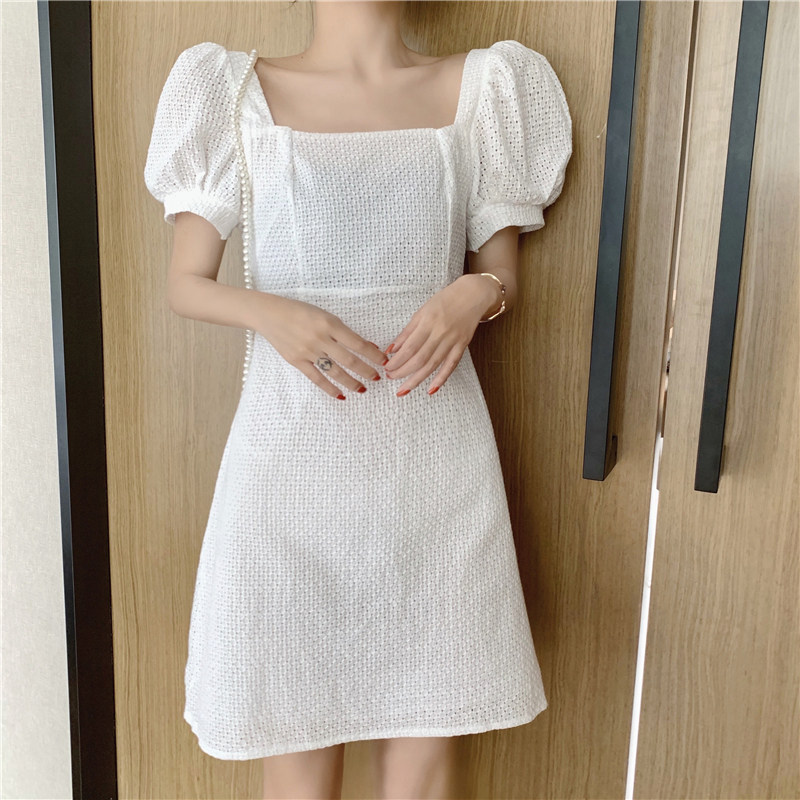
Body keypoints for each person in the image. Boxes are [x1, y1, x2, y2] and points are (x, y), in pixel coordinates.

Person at [143, 1, 572, 798]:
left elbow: (503, 275)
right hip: (289, 472)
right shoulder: (232, 92)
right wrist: (272, 314)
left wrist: (474, 292)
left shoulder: (485, 88)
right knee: (295, 736)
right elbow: (185, 284)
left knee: (426, 746)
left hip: (432, 470)